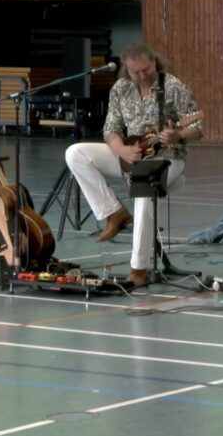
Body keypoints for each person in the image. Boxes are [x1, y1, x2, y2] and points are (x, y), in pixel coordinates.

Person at [65, 43, 202, 287]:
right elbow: (111, 129)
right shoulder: (121, 88)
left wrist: (178, 135)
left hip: (168, 159)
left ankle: (139, 268)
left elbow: (197, 129)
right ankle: (113, 213)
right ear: (126, 72)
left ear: (155, 64)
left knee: (144, 190)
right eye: (135, 72)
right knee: (76, 153)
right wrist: (121, 150)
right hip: (131, 154)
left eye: (146, 70)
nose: (142, 76)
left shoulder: (173, 87)